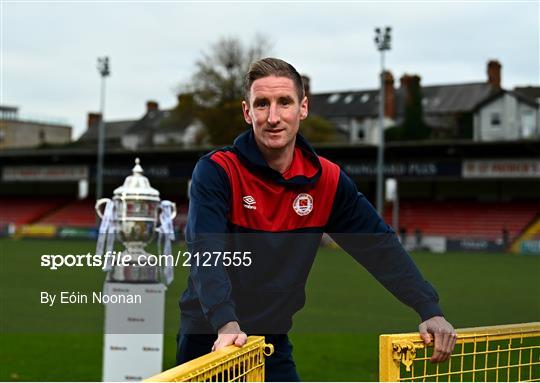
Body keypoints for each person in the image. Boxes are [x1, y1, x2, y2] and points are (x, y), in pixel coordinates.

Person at [177, 58, 456, 381]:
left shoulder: (327, 181)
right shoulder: (217, 171)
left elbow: (379, 246)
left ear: (303, 107)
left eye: (284, 102)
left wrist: (429, 309)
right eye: (261, 104)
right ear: (247, 112)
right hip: (211, 337)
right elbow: (205, 252)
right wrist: (226, 324)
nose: (273, 117)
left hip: (270, 339)